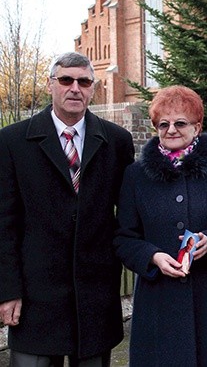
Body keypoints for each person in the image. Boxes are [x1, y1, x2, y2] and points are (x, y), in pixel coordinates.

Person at [0, 52, 135, 366]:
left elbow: (128, 215)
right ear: (50, 85)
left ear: (92, 88)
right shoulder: (12, 142)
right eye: (66, 80)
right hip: (35, 297)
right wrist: (7, 290)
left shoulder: (116, 141)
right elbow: (3, 222)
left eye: (84, 81)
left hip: (94, 297)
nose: (75, 88)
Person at [114, 85, 207, 366]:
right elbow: (124, 238)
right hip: (159, 308)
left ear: (197, 127)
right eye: (164, 124)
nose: (171, 129)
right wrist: (152, 256)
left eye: (180, 123)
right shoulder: (136, 175)